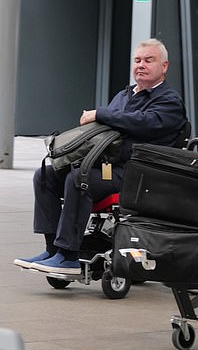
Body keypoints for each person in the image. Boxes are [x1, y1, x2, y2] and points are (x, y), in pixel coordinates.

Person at [14, 39, 187, 274]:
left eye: (149, 60)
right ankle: (52, 250)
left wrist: (101, 113)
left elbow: (143, 123)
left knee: (78, 180)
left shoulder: (169, 100)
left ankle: (68, 256)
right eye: (137, 60)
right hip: (107, 165)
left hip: (136, 174)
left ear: (164, 66)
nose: (141, 65)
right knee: (45, 175)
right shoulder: (124, 95)